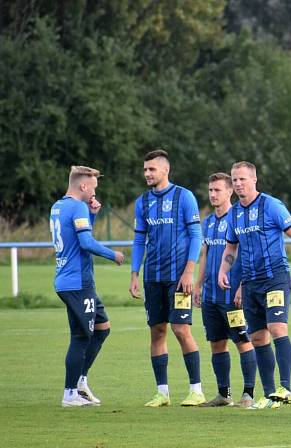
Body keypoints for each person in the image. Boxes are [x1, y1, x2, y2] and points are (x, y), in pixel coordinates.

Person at [218, 161, 291, 410]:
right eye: (234, 180)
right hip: (251, 281)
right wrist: (223, 270)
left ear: (254, 180)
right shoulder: (234, 213)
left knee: (277, 327)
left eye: (242, 179)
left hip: (275, 277)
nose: (238, 184)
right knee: (257, 337)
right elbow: (231, 246)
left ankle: (285, 388)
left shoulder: (271, 205)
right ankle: (269, 395)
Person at [130, 150, 204, 407]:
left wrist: (189, 271)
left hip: (179, 278)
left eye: (151, 169)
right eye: (145, 170)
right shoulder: (142, 202)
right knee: (157, 332)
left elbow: (196, 235)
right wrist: (134, 274)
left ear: (165, 170)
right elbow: (140, 239)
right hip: (153, 277)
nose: (147, 174)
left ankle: (196, 390)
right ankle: (162, 392)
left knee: (181, 329)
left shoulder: (184, 197)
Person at [52, 166, 124, 406]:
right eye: (93, 186)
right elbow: (85, 242)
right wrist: (112, 254)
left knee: (102, 328)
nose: (94, 191)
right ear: (83, 186)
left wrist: (92, 215)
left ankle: (80, 381)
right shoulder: (77, 206)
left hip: (70, 281)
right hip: (77, 282)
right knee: (82, 336)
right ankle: (70, 393)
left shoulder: (59, 206)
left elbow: (77, 235)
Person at [192, 173, 258, 407]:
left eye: (217, 190)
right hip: (211, 296)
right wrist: (198, 285)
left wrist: (242, 286)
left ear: (230, 191)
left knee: (243, 340)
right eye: (210, 190)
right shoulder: (208, 222)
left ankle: (248, 393)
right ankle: (223, 394)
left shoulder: (238, 218)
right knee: (217, 342)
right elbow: (205, 255)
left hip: (233, 295)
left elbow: (248, 254)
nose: (212, 194)